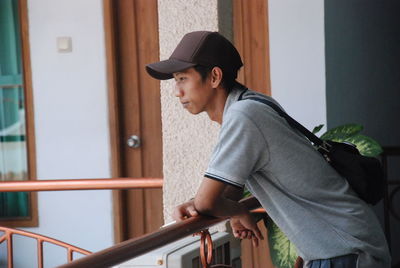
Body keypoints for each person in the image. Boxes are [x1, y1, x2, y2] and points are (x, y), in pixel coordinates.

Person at [145, 31, 391, 268]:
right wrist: (206, 204)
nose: (177, 92)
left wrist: (236, 210)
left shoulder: (244, 116)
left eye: (182, 79)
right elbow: (225, 189)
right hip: (343, 245)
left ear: (214, 77)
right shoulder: (251, 103)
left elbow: (207, 201)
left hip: (343, 251)